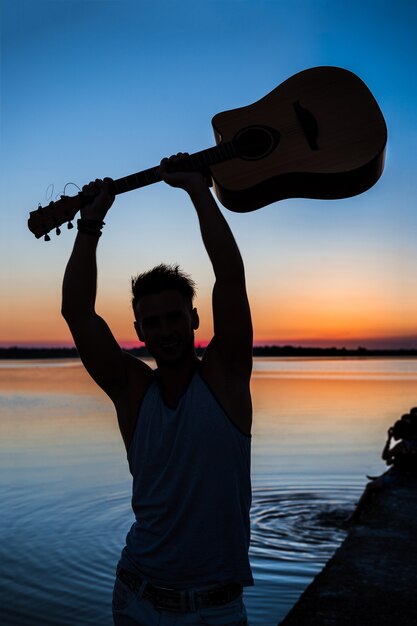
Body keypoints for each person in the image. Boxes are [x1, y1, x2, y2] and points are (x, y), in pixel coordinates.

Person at [61, 153, 253, 625]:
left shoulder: (225, 377)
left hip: (215, 608)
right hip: (137, 597)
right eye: (153, 322)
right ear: (139, 331)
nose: (166, 331)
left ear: (193, 320)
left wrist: (197, 190)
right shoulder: (132, 391)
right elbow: (78, 313)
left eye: (174, 318)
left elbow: (230, 278)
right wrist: (90, 224)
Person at [349, 415, 417, 524]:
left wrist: (388, 439)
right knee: (384, 476)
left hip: (400, 480)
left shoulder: (401, 445)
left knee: (369, 487)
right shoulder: (414, 443)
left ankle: (355, 516)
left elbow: (385, 456)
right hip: (411, 477)